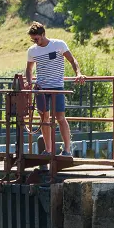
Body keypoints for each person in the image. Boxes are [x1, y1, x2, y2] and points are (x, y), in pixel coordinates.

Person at [24, 21, 85, 156]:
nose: (34, 41)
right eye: (32, 39)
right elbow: (28, 69)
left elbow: (72, 60)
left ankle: (67, 150)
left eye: (36, 38)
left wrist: (78, 73)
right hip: (41, 89)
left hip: (57, 87)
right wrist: (29, 82)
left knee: (60, 117)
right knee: (44, 119)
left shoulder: (58, 44)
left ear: (43, 34)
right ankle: (48, 149)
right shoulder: (32, 50)